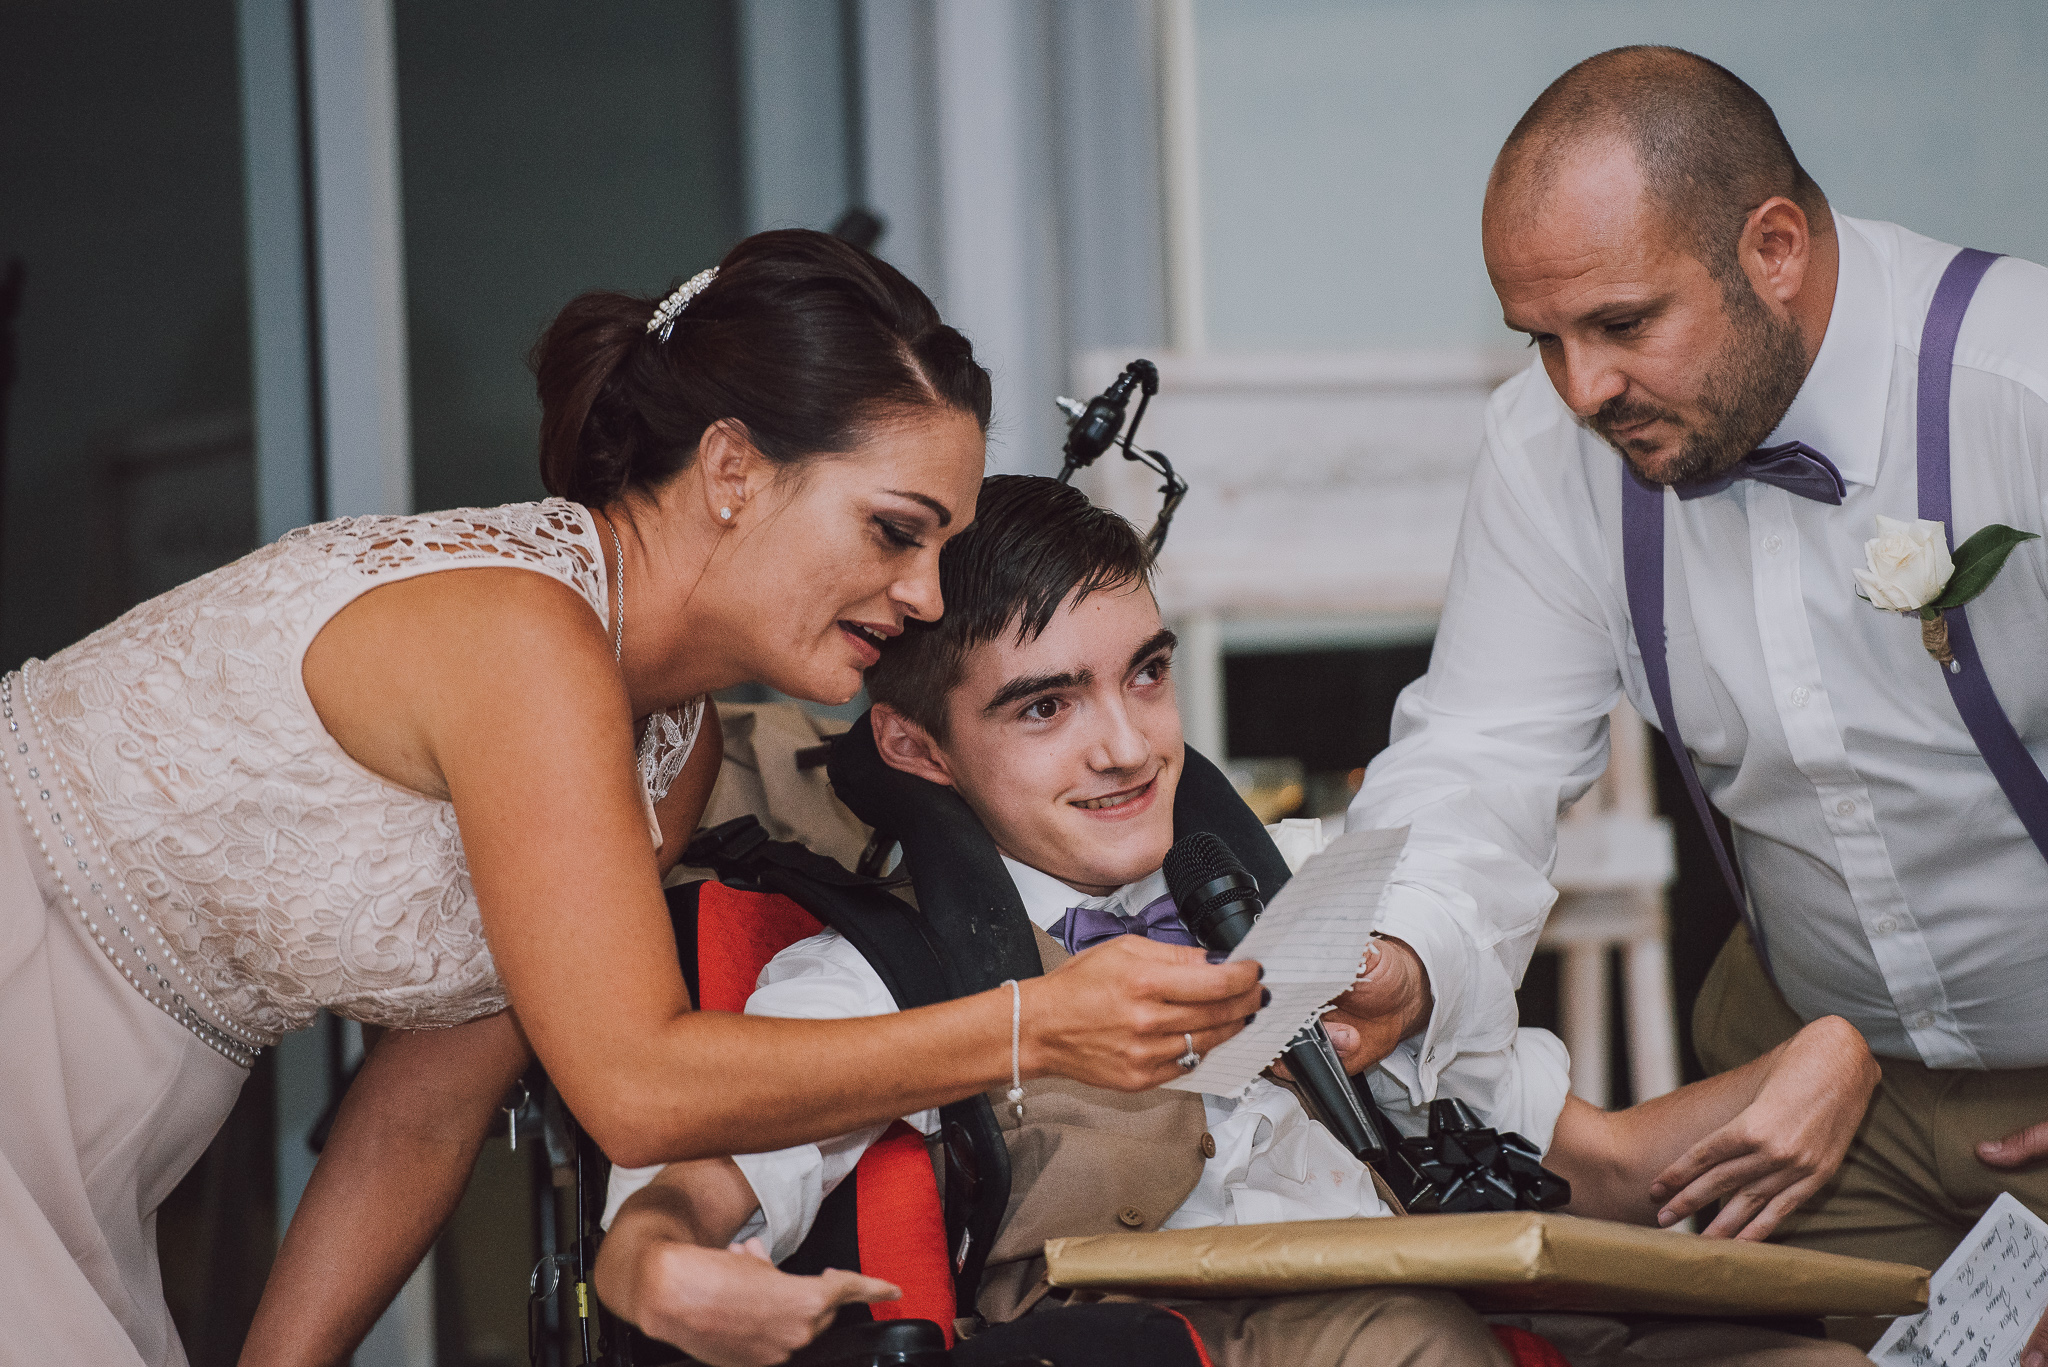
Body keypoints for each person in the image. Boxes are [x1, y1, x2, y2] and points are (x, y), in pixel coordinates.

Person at [0, 231, 1264, 1367]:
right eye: (894, 532)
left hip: (132, 1104)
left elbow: (420, 1119)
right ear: (730, 470)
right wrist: (1027, 1025)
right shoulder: (520, 637)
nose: (928, 597)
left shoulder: (672, 750)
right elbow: (637, 1088)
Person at [593, 475, 1878, 1367]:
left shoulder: (1329, 893)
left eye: (1144, 675)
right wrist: (655, 1264)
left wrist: (1831, 1054)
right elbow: (697, 1184)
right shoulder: (883, 973)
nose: (1123, 745)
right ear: (915, 747)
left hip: (1458, 1290)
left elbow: (1591, 1166)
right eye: (1044, 708)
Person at [1338, 44, 2048, 1354]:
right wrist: (1406, 951)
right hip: (1806, 1097)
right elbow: (1480, 756)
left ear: (1774, 245)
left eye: (1618, 324)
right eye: (1540, 339)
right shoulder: (1550, 454)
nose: (1579, 389)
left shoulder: (2026, 382)